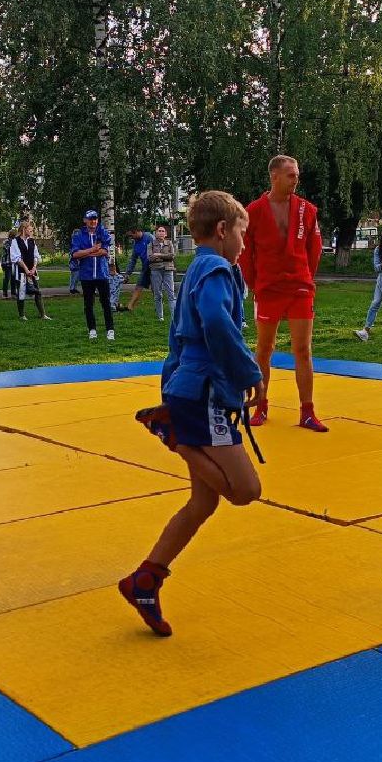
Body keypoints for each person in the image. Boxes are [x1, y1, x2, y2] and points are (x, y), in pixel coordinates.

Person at [121, 191, 262, 636]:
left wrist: (171, 388)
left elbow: (177, 340)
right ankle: (174, 436)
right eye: (242, 232)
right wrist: (248, 372)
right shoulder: (219, 269)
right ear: (223, 230)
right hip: (205, 395)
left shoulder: (196, 270)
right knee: (244, 490)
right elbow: (218, 326)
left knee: (203, 501)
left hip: (187, 387)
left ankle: (146, 579)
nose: (244, 242)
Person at [240, 155, 327, 431]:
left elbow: (314, 250)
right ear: (274, 176)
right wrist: (255, 283)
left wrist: (305, 277)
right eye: (291, 174)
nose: (296, 179)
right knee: (264, 348)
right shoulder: (253, 211)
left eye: (297, 174)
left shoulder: (306, 210)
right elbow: (245, 253)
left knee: (303, 349)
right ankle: (261, 405)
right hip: (268, 288)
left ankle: (308, 411)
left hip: (300, 287)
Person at [70, 209, 115, 340]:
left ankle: (110, 329)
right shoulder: (79, 236)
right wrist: (92, 250)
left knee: (106, 303)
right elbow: (75, 254)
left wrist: (87, 253)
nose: (93, 221)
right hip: (86, 275)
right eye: (90, 219)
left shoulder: (102, 232)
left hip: (102, 274)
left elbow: (105, 252)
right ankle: (92, 329)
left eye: (95, 219)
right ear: (85, 220)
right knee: (88, 304)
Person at [9, 220, 49, 320]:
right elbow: (16, 258)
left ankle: (43, 314)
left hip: (32, 271)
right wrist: (26, 269)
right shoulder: (15, 241)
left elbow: (36, 255)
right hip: (21, 271)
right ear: (24, 230)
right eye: (30, 230)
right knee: (21, 293)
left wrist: (34, 267)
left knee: (37, 291)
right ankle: (22, 315)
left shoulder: (32, 241)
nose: (32, 232)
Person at [147, 223, 177, 321]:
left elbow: (172, 256)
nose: (160, 233)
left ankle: (174, 317)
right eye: (159, 231)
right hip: (155, 270)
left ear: (165, 234)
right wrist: (165, 256)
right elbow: (150, 258)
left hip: (168, 270)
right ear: (156, 233)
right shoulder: (151, 244)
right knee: (158, 294)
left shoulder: (169, 243)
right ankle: (160, 317)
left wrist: (158, 255)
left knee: (171, 294)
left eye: (162, 231)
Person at [124, 226, 154, 313]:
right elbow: (133, 259)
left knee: (155, 288)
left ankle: (159, 307)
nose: (131, 238)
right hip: (145, 268)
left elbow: (158, 248)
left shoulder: (149, 237)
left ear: (136, 232)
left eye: (131, 235)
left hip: (155, 267)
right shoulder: (135, 243)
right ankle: (129, 307)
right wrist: (128, 273)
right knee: (139, 285)